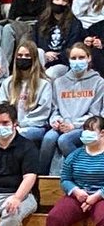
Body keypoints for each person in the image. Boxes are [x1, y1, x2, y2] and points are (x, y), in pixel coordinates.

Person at [33, 114, 104, 226]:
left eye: (91, 130)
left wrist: (97, 196)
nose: (86, 134)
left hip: (100, 197)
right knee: (54, 217)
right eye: (85, 130)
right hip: (78, 196)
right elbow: (65, 179)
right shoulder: (76, 155)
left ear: (102, 133)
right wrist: (76, 191)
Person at [41, 44, 104, 174]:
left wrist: (73, 125)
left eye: (81, 57)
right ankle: (41, 177)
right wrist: (56, 120)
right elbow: (55, 109)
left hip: (84, 126)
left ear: (89, 58)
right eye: (73, 58)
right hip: (63, 124)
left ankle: (82, 171)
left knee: (64, 140)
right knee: (48, 138)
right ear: (69, 60)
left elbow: (95, 113)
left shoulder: (98, 82)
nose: (77, 61)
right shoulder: (59, 82)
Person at [0, 42, 52, 144]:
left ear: (34, 59)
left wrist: (21, 124)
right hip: (9, 124)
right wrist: (10, 123)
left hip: (33, 126)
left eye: (27, 56)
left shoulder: (44, 84)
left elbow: (42, 112)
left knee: (18, 136)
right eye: (20, 55)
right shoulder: (8, 82)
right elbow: (0, 106)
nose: (23, 58)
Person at [34, 0, 84, 79]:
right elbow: (34, 42)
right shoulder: (41, 22)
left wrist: (57, 56)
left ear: (69, 3)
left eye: (64, 0)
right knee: (38, 51)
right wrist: (46, 54)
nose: (60, 2)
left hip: (62, 63)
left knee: (50, 73)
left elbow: (72, 47)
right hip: (41, 60)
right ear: (51, 0)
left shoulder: (75, 24)